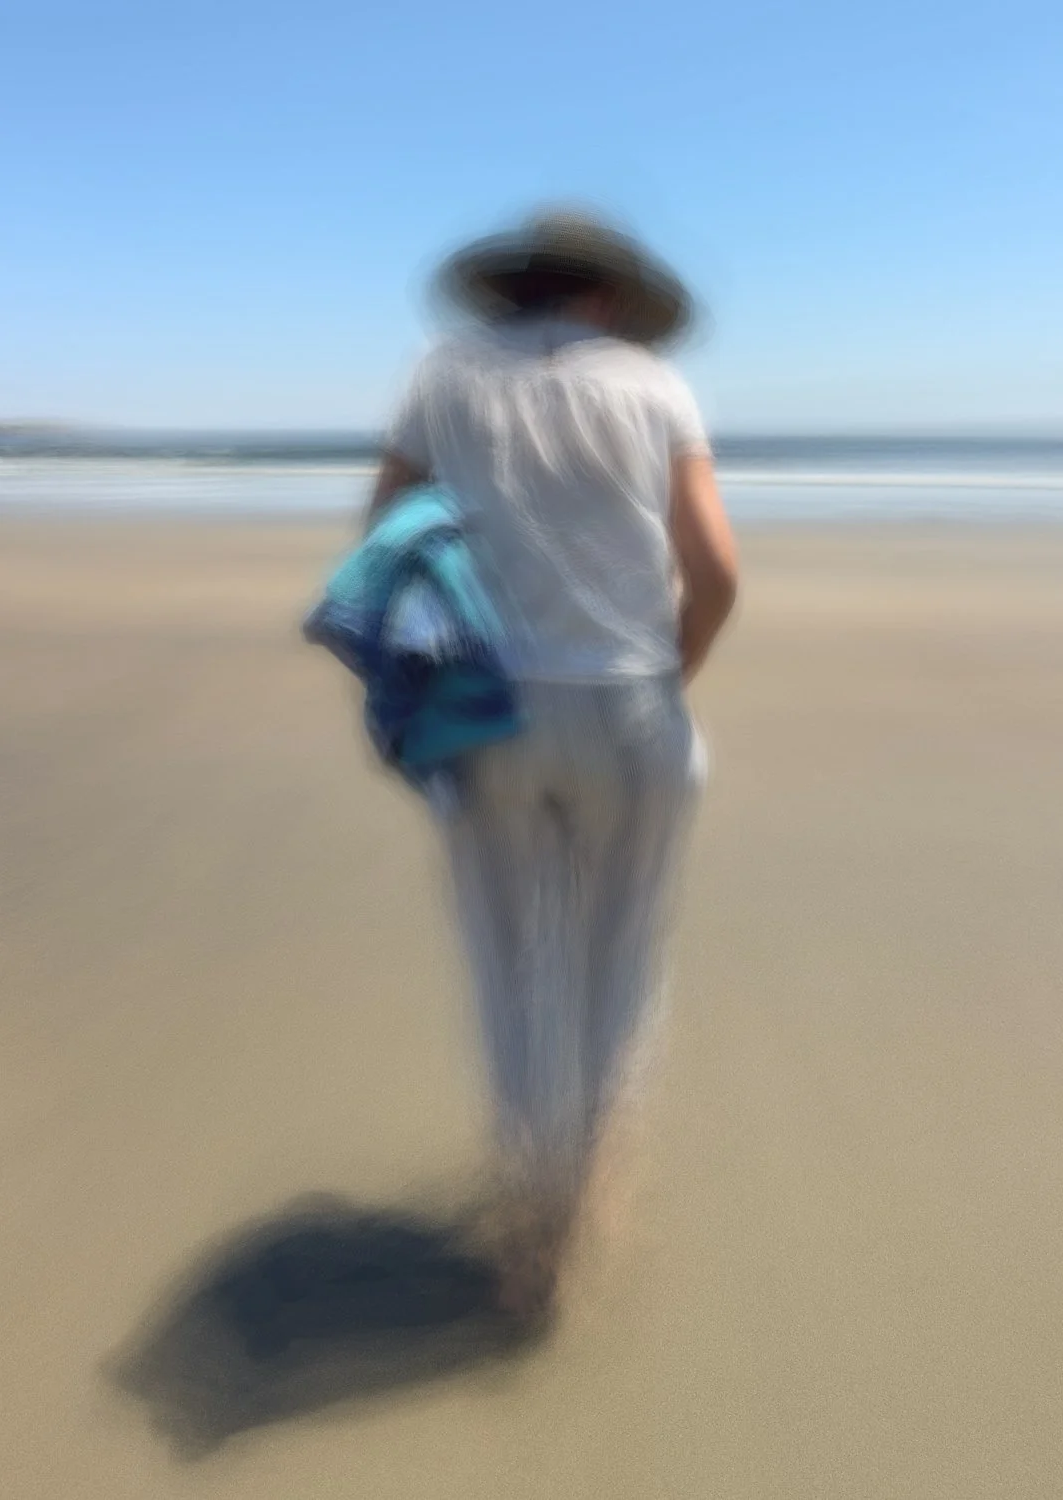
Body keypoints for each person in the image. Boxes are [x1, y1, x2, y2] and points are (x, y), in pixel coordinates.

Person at [369, 210, 738, 1319]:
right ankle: (585, 1193)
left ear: (512, 291)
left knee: (511, 957)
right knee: (617, 956)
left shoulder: (443, 378)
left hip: (488, 713)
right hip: (629, 708)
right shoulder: (651, 386)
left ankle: (529, 1200)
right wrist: (664, 674)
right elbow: (715, 573)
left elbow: (385, 544)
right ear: (609, 297)